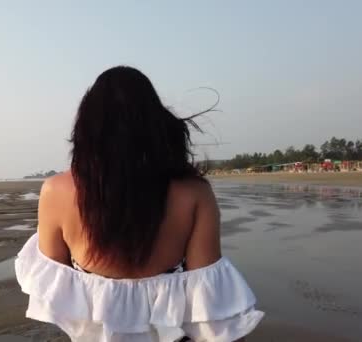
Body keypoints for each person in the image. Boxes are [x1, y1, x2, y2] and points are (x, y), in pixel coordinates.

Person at [15, 66, 263, 341]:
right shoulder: (194, 193)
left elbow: (56, 289)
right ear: (156, 123)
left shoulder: (55, 191)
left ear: (87, 126)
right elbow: (206, 296)